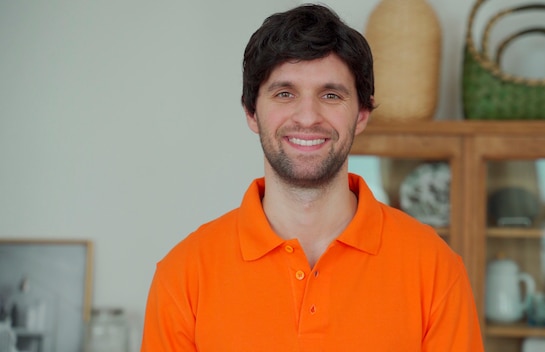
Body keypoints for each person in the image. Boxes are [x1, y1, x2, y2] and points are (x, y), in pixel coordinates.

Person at [141, 4, 484, 351]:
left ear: (362, 115)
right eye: (285, 94)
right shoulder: (183, 274)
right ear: (251, 112)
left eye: (331, 95)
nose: (308, 117)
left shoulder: (436, 269)